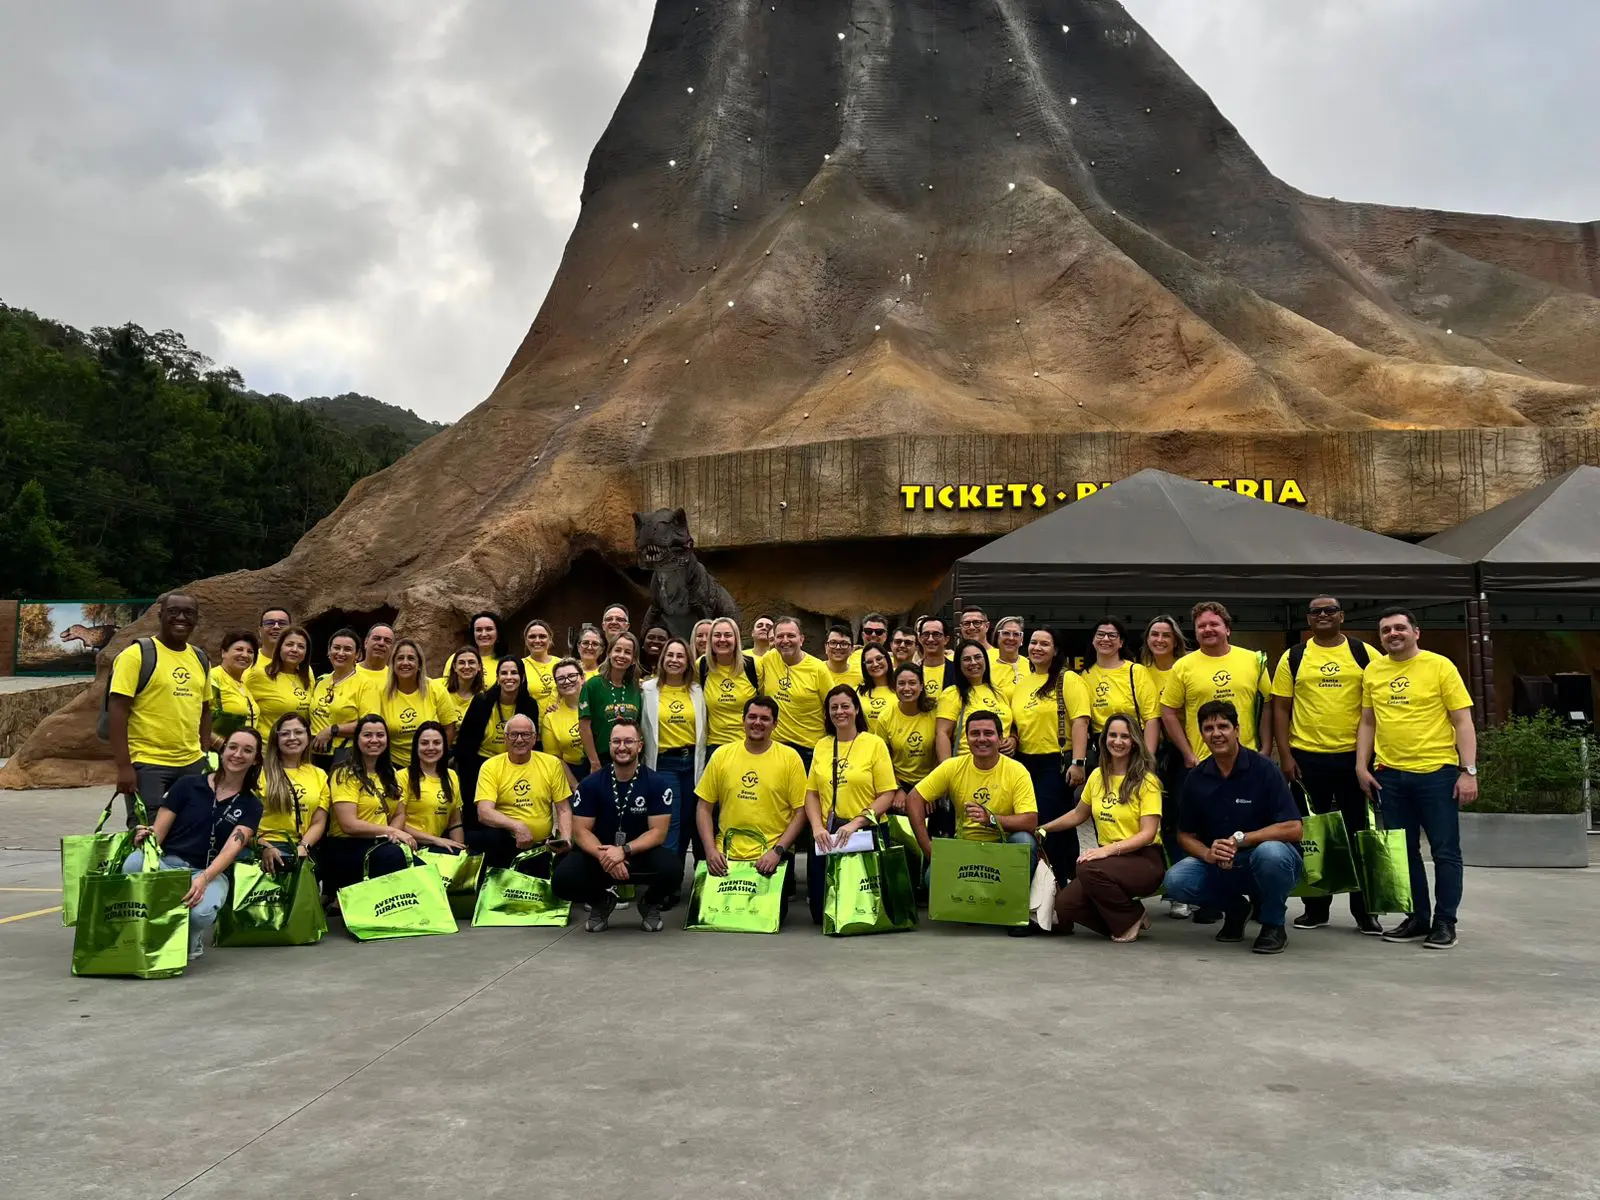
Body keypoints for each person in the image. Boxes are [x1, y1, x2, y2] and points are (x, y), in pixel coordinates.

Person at [1357, 608, 1476, 950]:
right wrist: (1361, 766)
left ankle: (1445, 922)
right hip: (1389, 776)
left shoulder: (1440, 666)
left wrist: (1468, 771)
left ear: (1416, 632)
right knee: (1405, 853)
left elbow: (1462, 721)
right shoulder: (1374, 671)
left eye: (1399, 628)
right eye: (1385, 631)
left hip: (1436, 774)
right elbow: (1367, 721)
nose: (1393, 634)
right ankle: (1418, 917)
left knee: (1445, 852)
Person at [1273, 596, 1382, 935]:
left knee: (1358, 836)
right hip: (1306, 760)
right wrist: (1286, 756)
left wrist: (1373, 757)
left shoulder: (1365, 654)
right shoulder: (1294, 656)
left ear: (1341, 616)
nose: (1323, 615)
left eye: (1330, 610)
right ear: (1308, 618)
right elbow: (1280, 708)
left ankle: (1366, 912)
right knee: (1313, 839)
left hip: (1354, 760)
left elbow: (1378, 707)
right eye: (1316, 611)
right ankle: (1316, 907)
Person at [1160, 701, 1304, 955]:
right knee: (1176, 880)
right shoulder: (1196, 778)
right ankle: (1236, 910)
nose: (1216, 734)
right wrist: (1208, 853)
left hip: (1268, 859)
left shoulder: (1264, 769)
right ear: (1202, 735)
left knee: (1270, 853)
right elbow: (1185, 835)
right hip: (1222, 861)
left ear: (1237, 729)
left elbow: (1294, 828)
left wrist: (1242, 840)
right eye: (1208, 728)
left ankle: (1273, 925)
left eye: (1223, 726)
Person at [125, 728, 262, 961]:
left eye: (247, 750)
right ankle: (147, 929)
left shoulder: (252, 804)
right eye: (233, 747)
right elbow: (158, 833)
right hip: (168, 864)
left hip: (208, 872)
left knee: (200, 913)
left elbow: (232, 849)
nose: (238, 754)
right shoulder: (187, 785)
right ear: (222, 751)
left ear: (255, 760)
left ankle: (192, 936)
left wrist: (204, 878)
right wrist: (145, 839)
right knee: (134, 864)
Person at [905, 711, 1038, 934]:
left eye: (988, 733)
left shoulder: (1017, 770)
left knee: (1025, 840)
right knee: (930, 879)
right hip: (966, 849)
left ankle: (1014, 911)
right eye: (975, 733)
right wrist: (928, 849)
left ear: (1000, 737)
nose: (982, 739)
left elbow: (1030, 821)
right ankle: (975, 906)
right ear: (966, 738)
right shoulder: (953, 766)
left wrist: (992, 819)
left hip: (1002, 846)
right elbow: (913, 799)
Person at [1044, 714, 1166, 941]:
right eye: (1112, 735)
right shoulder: (1098, 775)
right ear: (1104, 739)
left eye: (1124, 736)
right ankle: (1133, 914)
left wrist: (1106, 850)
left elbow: (1148, 834)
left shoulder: (1146, 781)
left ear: (1134, 742)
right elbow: (1079, 814)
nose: (1117, 741)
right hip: (1109, 862)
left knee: (1086, 867)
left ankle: (1126, 922)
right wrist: (1044, 828)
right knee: (1066, 905)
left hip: (1144, 861)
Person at [554, 720, 682, 933]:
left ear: (640, 746)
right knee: (562, 878)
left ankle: (649, 903)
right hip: (600, 853)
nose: (622, 747)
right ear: (609, 745)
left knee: (673, 870)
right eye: (616, 741)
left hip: (639, 852)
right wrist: (607, 857)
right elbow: (580, 831)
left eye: (628, 741)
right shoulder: (590, 784)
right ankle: (601, 901)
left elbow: (658, 833)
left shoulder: (657, 783)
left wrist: (623, 851)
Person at [694, 697, 809, 920]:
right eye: (752, 717)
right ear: (743, 720)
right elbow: (703, 807)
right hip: (726, 856)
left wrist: (777, 852)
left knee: (767, 917)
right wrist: (710, 850)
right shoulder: (722, 755)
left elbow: (800, 812)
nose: (758, 723)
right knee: (715, 917)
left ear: (775, 724)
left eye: (765, 719)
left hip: (771, 857)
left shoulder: (790, 758)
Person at [108, 592, 212, 828]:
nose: (181, 618)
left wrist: (204, 750)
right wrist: (124, 767)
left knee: (190, 829)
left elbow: (205, 708)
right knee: (147, 832)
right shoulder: (136, 655)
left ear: (196, 619)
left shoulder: (200, 658)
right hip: (148, 763)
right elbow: (117, 711)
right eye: (173, 611)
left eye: (189, 613)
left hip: (191, 763)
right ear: (160, 615)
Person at [803, 686, 897, 924]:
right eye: (834, 707)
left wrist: (856, 823)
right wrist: (816, 827)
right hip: (829, 833)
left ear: (856, 709)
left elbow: (887, 794)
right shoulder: (822, 745)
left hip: (866, 831)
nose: (839, 712)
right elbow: (812, 794)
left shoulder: (874, 744)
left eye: (845, 706)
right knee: (821, 913)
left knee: (866, 909)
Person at [1009, 628, 1091, 879]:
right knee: (1035, 822)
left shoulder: (1067, 679)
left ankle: (1060, 882)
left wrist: (1078, 762)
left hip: (1055, 762)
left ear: (1056, 650)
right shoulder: (1022, 684)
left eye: (1045, 644)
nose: (1037, 648)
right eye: (1033, 642)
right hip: (1024, 762)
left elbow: (1080, 721)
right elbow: (1017, 724)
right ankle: (1048, 884)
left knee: (1050, 826)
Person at [1161, 602, 1274, 768]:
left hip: (1248, 758)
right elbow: (1168, 711)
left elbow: (1267, 705)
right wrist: (1188, 754)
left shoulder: (1254, 660)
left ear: (1227, 629)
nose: (1207, 629)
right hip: (1203, 760)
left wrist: (1266, 748)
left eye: (1214, 624)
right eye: (1201, 626)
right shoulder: (1182, 666)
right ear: (1195, 632)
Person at [322, 715, 412, 894]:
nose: (374, 740)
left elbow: (399, 813)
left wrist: (392, 837)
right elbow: (348, 825)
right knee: (394, 858)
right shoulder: (344, 773)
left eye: (380, 735)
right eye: (367, 735)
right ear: (357, 739)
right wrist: (391, 832)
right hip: (347, 846)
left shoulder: (391, 773)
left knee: (421, 867)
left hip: (380, 844)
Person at [473, 714, 574, 870]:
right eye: (513, 734)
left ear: (534, 738)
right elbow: (484, 812)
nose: (519, 740)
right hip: (506, 842)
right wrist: (517, 826)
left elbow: (564, 809)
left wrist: (565, 839)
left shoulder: (552, 764)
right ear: (505, 738)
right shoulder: (490, 766)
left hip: (542, 845)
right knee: (491, 837)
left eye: (525, 734)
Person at [1140, 613, 1190, 911]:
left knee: (1186, 821)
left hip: (1186, 752)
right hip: (1151, 756)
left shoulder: (1185, 668)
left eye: (1166, 635)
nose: (1159, 640)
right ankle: (1173, 888)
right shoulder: (1139, 672)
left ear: (1176, 640)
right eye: (1154, 634)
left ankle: (1189, 886)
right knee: (1162, 821)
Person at [641, 637, 707, 862]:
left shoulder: (698, 691)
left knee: (689, 819)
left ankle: (676, 875)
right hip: (664, 763)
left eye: (680, 656)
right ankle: (668, 881)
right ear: (662, 659)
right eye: (670, 655)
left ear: (688, 661)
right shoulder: (648, 689)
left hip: (692, 764)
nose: (674, 660)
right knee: (670, 821)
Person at [455, 657, 541, 801]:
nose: (509, 677)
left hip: (514, 766)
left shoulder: (530, 705)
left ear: (522, 677)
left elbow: (531, 741)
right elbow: (465, 743)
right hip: (480, 765)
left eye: (514, 673)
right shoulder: (481, 702)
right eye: (504, 673)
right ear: (497, 677)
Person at [254, 713, 329, 874]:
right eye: (285, 733)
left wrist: (303, 846)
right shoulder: (260, 772)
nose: (292, 737)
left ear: (308, 737)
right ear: (276, 739)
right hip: (264, 846)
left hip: (302, 847)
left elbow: (319, 821)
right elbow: (245, 822)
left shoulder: (319, 775)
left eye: (298, 732)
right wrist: (265, 847)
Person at [757, 616, 831, 771]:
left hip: (808, 749)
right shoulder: (769, 659)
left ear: (801, 639)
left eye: (790, 635)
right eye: (780, 636)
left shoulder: (818, 669)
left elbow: (832, 706)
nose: (785, 640)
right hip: (775, 746)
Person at [359, 638, 447, 769]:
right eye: (400, 658)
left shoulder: (436, 689)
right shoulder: (380, 693)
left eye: (411, 658)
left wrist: (438, 758)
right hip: (393, 765)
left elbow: (449, 727)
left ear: (420, 664)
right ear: (393, 664)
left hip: (431, 763)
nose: (405, 663)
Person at [1083, 618, 1162, 757]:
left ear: (1121, 642)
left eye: (1112, 635)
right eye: (1100, 634)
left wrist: (1148, 758)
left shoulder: (1136, 671)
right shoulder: (1085, 675)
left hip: (1133, 743)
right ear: (1093, 640)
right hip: (1102, 746)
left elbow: (1152, 718)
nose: (1105, 639)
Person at [935, 639, 1014, 760]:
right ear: (959, 665)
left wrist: (1013, 739)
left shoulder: (998, 692)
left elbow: (1010, 725)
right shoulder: (952, 694)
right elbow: (942, 734)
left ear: (985, 660)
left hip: (1002, 765)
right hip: (968, 765)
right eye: (967, 659)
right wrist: (947, 770)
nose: (973, 662)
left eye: (978, 657)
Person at [580, 631, 644, 774]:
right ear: (609, 653)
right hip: (601, 761)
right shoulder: (593, 685)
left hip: (629, 760)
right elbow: (584, 727)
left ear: (633, 659)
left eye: (628, 652)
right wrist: (594, 763)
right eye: (617, 650)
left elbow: (638, 726)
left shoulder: (635, 688)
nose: (621, 655)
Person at [876, 664, 939, 808]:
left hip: (931, 779)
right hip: (900, 781)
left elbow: (940, 752)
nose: (907, 688)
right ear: (895, 687)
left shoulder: (935, 713)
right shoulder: (885, 717)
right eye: (901, 683)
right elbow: (883, 760)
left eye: (912, 683)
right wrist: (898, 789)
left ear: (922, 686)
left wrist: (930, 788)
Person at [400, 723, 467, 851]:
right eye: (424, 743)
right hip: (409, 845)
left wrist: (460, 852)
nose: (431, 748)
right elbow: (396, 823)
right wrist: (436, 840)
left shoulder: (451, 776)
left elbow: (455, 823)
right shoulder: (403, 777)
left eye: (436, 743)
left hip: (437, 845)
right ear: (416, 747)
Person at [701, 616, 759, 754]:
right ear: (710, 640)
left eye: (728, 635)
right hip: (715, 747)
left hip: (748, 745)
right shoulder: (702, 666)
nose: (722, 639)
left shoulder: (753, 665)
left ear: (736, 639)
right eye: (717, 635)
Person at [244, 624, 314, 737]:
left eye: (301, 646)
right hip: (267, 748)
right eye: (289, 644)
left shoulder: (307, 678)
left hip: (298, 747)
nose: (294, 650)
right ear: (279, 647)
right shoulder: (259, 675)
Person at [310, 627, 364, 769]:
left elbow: (369, 724)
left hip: (344, 756)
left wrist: (332, 730)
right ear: (329, 651)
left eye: (347, 649)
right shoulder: (321, 682)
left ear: (357, 655)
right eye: (336, 648)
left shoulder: (366, 684)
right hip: (314, 754)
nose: (340, 653)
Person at [208, 630, 260, 747]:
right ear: (224, 652)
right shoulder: (213, 678)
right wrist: (222, 746)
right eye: (239, 649)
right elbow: (199, 720)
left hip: (243, 754)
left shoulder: (242, 684)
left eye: (250, 652)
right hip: (217, 756)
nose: (245, 655)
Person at [541, 659, 589, 782]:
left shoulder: (597, 705)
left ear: (582, 678)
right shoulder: (551, 717)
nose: (567, 681)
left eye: (572, 676)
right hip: (572, 775)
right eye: (561, 678)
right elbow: (554, 759)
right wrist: (575, 786)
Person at [445, 611, 501, 680]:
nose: (483, 634)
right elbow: (445, 687)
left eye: (489, 629)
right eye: (478, 630)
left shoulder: (506, 663)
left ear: (498, 633)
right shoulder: (457, 658)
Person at [434, 646, 484, 722]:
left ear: (479, 666)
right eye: (461, 662)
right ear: (454, 667)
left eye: (471, 662)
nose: (466, 667)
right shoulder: (437, 686)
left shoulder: (482, 699)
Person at [520, 619, 560, 708]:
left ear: (550, 639)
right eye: (532, 637)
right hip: (531, 719)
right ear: (526, 640)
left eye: (542, 636)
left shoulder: (561, 664)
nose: (537, 640)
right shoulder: (519, 666)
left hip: (559, 719)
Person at [988, 616, 1028, 701]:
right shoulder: (988, 670)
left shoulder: (1031, 666)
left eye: (1016, 634)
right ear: (997, 636)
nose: (1011, 638)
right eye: (1006, 633)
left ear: (1021, 639)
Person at [856, 645, 896, 726]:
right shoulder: (857, 692)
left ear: (887, 659)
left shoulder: (901, 689)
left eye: (879, 658)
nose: (875, 664)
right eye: (869, 662)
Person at [918, 616, 952, 697]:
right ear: (919, 638)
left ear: (946, 639)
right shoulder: (913, 672)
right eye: (926, 634)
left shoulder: (958, 671)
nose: (930, 639)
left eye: (936, 634)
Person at [822, 624, 864, 688]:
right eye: (833, 643)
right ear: (826, 647)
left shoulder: (860, 676)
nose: (838, 647)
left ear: (852, 649)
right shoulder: (816, 671)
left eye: (844, 644)